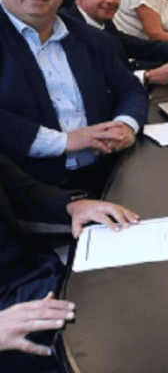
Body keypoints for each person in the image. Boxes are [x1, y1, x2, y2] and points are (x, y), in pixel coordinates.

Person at [0, 0, 148, 196]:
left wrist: (125, 125)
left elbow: (131, 88)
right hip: (29, 192)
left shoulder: (93, 39)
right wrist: (66, 141)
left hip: (107, 174)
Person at [0, 151, 138, 373]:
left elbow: (22, 190)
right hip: (7, 317)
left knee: (128, 288)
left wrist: (73, 206)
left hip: (33, 271)